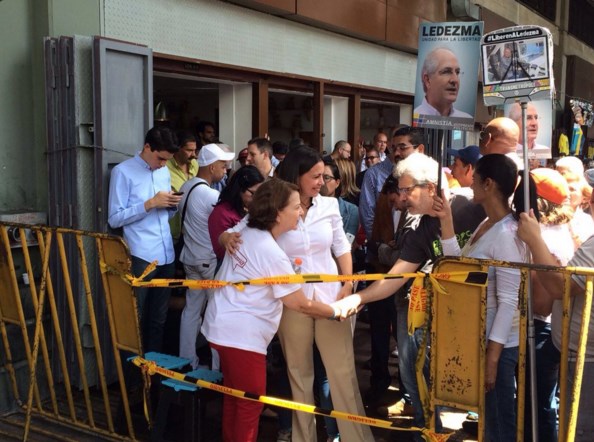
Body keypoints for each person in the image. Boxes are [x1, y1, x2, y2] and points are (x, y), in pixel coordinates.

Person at [338, 152, 485, 437]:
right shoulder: (421, 229)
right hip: (440, 309)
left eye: (406, 190)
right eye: (400, 190)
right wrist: (359, 298)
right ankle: (428, 428)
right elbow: (396, 276)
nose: (401, 198)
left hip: (484, 315)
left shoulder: (473, 205)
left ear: (430, 188)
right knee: (411, 367)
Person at [201, 178, 357, 442]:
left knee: (235, 399)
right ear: (276, 213)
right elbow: (299, 303)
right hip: (242, 336)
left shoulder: (248, 231)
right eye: (296, 207)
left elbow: (226, 234)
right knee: (250, 404)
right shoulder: (270, 251)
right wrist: (335, 310)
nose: (301, 212)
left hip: (222, 327)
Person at [433, 154, 528, 441]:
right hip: (482, 341)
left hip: (498, 346)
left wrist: (492, 358)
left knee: (499, 426)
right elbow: (458, 269)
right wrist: (446, 219)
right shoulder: (488, 224)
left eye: (475, 180)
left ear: (488, 184)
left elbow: (509, 300)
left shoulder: (507, 234)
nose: (470, 184)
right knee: (491, 423)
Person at [518, 210, 594, 442]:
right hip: (575, 352)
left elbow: (561, 287)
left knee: (580, 431)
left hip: (586, 359)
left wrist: (534, 240)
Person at [107, 127, 182, 353]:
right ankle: (132, 377)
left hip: (166, 252)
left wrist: (171, 205)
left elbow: (164, 213)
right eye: (160, 158)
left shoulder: (163, 172)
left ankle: (154, 373)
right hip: (141, 254)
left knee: (159, 319)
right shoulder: (123, 172)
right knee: (135, 318)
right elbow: (114, 218)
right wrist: (148, 204)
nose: (162, 164)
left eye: (166, 160)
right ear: (147, 147)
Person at [178, 143, 235, 370]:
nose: (226, 169)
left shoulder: (186, 186)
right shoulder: (210, 195)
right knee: (216, 313)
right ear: (211, 167)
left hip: (189, 257)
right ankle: (217, 368)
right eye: (223, 165)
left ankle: (187, 360)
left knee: (191, 311)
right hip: (208, 260)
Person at [208, 165, 265, 264]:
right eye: (253, 193)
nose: (257, 198)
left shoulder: (250, 207)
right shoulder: (221, 213)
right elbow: (222, 250)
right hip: (228, 265)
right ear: (239, 189)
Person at [414, 48, 472, 118]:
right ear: (427, 80)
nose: (455, 80)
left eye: (457, 72)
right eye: (446, 72)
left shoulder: (465, 119)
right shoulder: (415, 117)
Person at [167, 131, 199, 244]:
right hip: (173, 232)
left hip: (192, 230)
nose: (194, 154)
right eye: (189, 150)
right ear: (177, 149)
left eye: (195, 150)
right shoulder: (164, 167)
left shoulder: (195, 164)